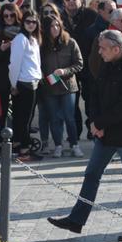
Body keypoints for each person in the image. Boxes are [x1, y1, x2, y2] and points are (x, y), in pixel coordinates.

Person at [47, 30, 122, 241]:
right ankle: (76, 220)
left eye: (103, 48)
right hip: (105, 132)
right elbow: (95, 94)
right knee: (92, 174)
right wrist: (94, 123)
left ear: (116, 48)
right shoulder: (108, 64)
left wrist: (101, 123)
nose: (100, 52)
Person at [38, 16, 84, 159]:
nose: (55, 28)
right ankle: (58, 145)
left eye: (57, 25)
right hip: (50, 87)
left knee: (69, 117)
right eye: (52, 26)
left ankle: (74, 144)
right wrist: (42, 75)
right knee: (55, 118)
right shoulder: (42, 45)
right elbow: (37, 63)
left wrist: (65, 71)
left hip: (68, 86)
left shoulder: (70, 42)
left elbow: (79, 63)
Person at [8, 10, 43, 161]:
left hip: (33, 82)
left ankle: (19, 145)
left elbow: (36, 62)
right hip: (23, 83)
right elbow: (14, 64)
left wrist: (39, 77)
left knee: (25, 118)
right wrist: (13, 84)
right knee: (24, 118)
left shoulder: (33, 39)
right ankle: (24, 150)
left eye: (34, 22)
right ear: (23, 23)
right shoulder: (20, 39)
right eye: (28, 21)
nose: (31, 24)